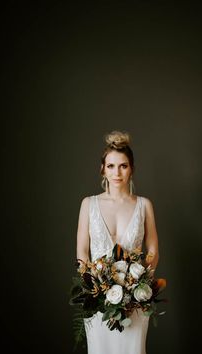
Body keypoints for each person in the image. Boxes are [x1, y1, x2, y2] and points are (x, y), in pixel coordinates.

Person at [76, 130, 159, 354]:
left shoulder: (144, 205)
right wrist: (96, 288)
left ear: (132, 169)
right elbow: (82, 253)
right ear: (102, 168)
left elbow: (152, 250)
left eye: (123, 166)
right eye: (111, 166)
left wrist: (139, 287)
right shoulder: (88, 204)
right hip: (98, 301)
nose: (117, 172)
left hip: (135, 303)